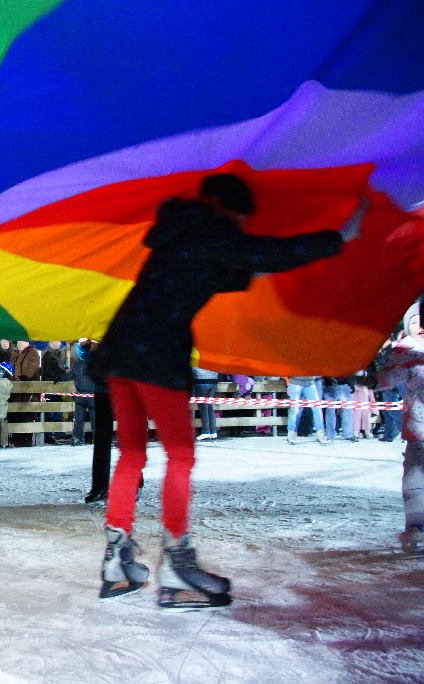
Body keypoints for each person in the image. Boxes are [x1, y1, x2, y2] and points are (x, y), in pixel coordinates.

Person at [91, 173, 363, 609]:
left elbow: (222, 271)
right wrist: (338, 238)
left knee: (132, 454)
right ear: (227, 208)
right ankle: (177, 565)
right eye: (241, 218)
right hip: (157, 354)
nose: (242, 226)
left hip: (120, 351)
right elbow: (265, 253)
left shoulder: (178, 233)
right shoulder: (210, 228)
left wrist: (251, 264)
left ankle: (116, 561)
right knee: (181, 455)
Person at [374, 301, 424, 552]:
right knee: (414, 480)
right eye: (414, 321)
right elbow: (390, 378)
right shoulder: (406, 351)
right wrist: (373, 378)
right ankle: (415, 527)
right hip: (419, 428)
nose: (420, 325)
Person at [73, 339, 115, 504]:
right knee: (101, 441)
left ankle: (134, 483)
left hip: (124, 386)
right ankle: (99, 487)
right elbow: (84, 356)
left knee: (130, 440)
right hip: (102, 390)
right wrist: (84, 346)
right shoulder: (96, 332)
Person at [285, 376, 327, 444]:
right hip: (295, 383)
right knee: (295, 410)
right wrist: (288, 383)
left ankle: (320, 433)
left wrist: (315, 376)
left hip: (310, 383)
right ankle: (291, 433)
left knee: (317, 409)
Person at [322, 376, 357, 442]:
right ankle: (347, 434)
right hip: (339, 384)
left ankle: (331, 435)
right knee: (346, 410)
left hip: (333, 383)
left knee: (331, 411)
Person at [192, 367, 219, 441]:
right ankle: (213, 432)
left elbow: (193, 368)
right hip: (214, 381)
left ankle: (206, 432)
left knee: (203, 408)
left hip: (201, 380)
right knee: (210, 407)